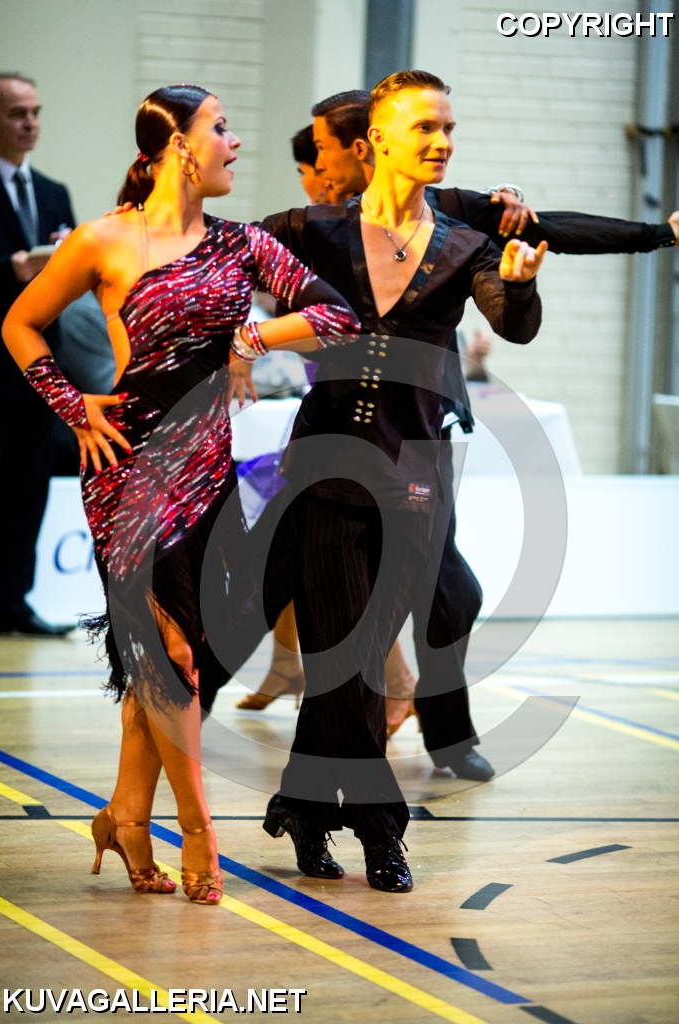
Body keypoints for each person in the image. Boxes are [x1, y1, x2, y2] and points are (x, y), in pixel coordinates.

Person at [236, 85, 679, 782]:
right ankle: (241, 711)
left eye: (320, 150)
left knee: (444, 595)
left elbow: (549, 234)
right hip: (337, 437)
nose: (315, 167)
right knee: (292, 587)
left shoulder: (450, 214)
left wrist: (660, 233)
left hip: (416, 440)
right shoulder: (318, 226)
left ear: (362, 144)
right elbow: (225, 268)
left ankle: (420, 733)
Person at [3, 84, 359, 905]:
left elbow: (338, 317)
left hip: (207, 472)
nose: (235, 141)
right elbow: (18, 324)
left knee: (168, 656)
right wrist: (73, 405)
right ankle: (196, 829)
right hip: (127, 466)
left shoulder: (242, 242)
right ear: (177, 147)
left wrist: (254, 335)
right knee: (174, 658)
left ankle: (126, 816)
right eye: (220, 127)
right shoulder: (103, 239)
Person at [256, 70, 546, 893]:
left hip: (414, 479)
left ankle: (304, 805)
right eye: (425, 126)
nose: (442, 140)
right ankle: (384, 831)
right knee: (345, 662)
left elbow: (513, 323)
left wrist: (522, 283)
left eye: (448, 127)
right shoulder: (311, 228)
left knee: (349, 667)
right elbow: (215, 266)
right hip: (325, 472)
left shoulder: (463, 243)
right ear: (376, 138)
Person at [0, 72, 76, 635]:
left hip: (39, 366)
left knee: (28, 490)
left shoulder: (52, 191)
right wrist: (13, 269)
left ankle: (13, 602)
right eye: (16, 113)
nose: (29, 123)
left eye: (35, 112)